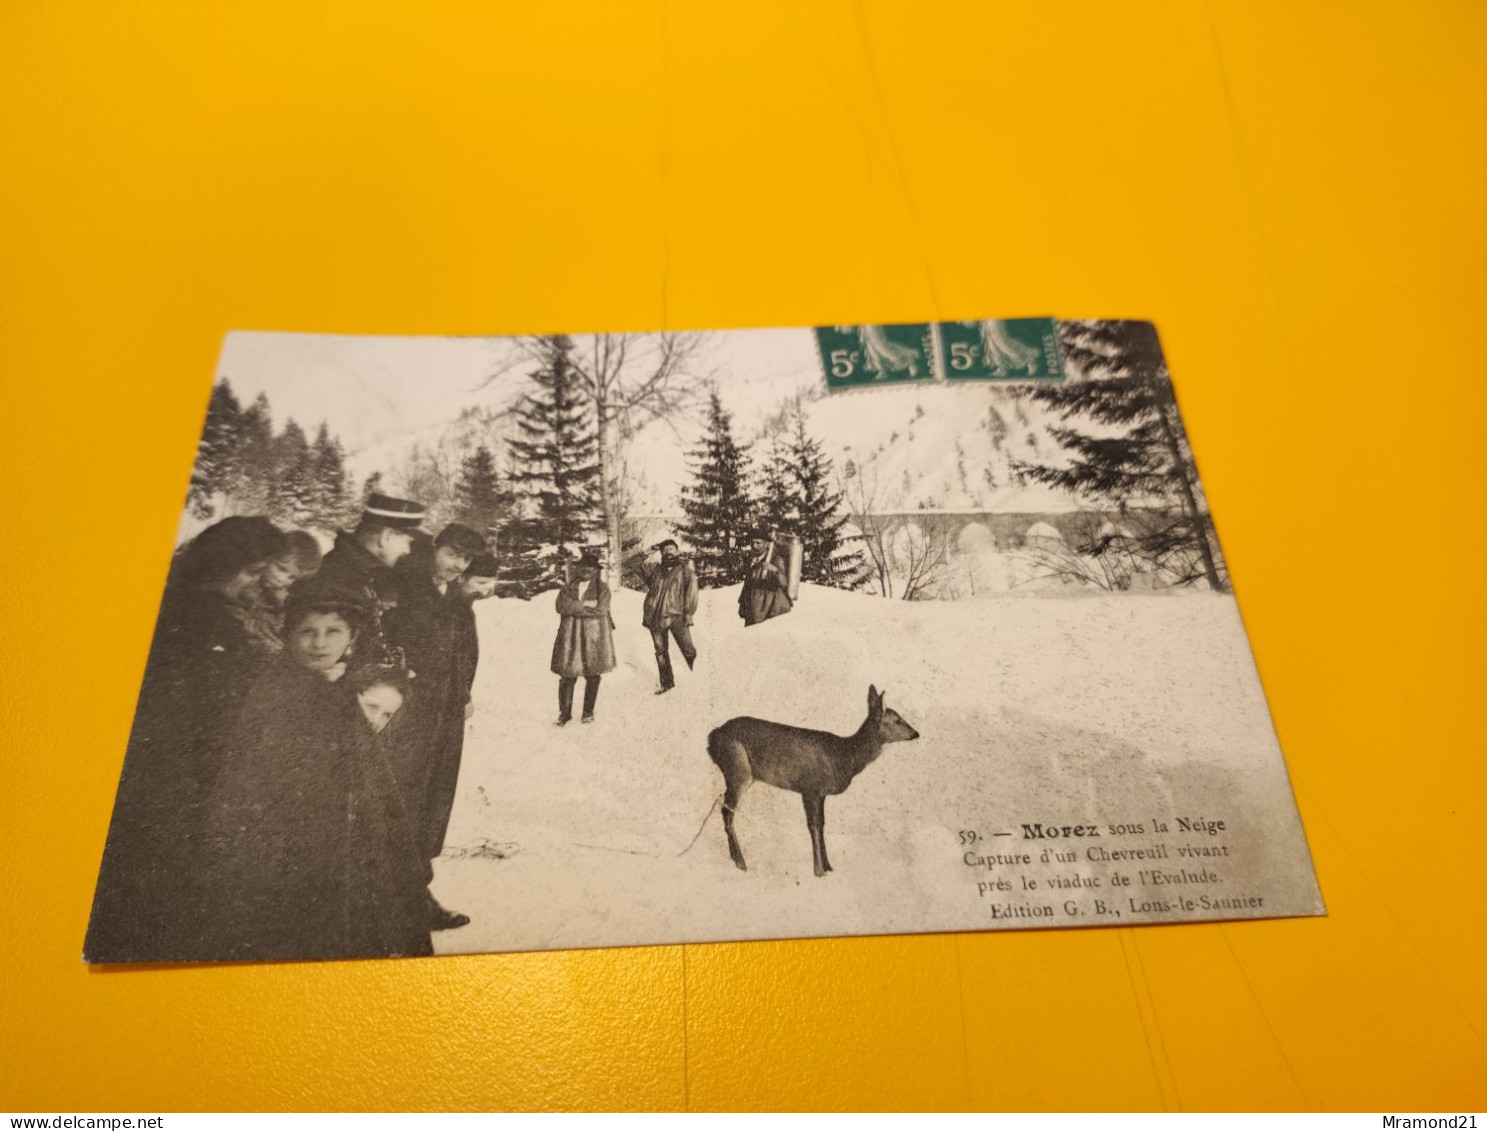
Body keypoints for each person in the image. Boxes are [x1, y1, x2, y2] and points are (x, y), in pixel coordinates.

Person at [85, 516, 289, 963]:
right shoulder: (195, 617)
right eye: (252, 572)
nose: (258, 583)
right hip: (177, 775)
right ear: (221, 565)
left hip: (198, 770)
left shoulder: (213, 607)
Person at [203, 583, 431, 961]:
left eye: (333, 632)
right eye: (307, 631)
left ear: (352, 637)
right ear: (288, 634)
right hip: (287, 853)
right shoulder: (272, 692)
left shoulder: (341, 689)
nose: (319, 643)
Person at [382, 522, 488, 931]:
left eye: (464, 559)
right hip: (408, 714)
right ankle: (404, 900)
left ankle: (415, 894)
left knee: (431, 802)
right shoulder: (405, 589)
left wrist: (462, 694)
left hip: (444, 714)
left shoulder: (453, 597)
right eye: (452, 554)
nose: (457, 564)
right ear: (434, 548)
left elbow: (462, 652)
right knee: (402, 801)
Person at [307, 492, 426, 665]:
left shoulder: (355, 569)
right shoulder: (340, 575)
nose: (407, 550)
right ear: (386, 536)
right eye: (407, 541)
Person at [551, 550, 615, 725]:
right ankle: (565, 714)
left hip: (594, 637)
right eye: (583, 566)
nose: (586, 570)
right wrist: (585, 604)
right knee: (567, 676)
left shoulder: (603, 588)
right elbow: (560, 606)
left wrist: (574, 608)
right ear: (578, 569)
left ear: (596, 570)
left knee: (593, 674)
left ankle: (588, 712)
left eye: (590, 567)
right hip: (570, 636)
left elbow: (601, 610)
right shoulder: (568, 587)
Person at [642, 539, 698, 694]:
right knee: (661, 652)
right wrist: (646, 553)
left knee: (688, 650)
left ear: (677, 551)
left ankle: (696, 681)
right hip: (655, 617)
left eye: (671, 549)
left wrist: (688, 613)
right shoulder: (654, 570)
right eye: (664, 550)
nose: (668, 552)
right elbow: (628, 566)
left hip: (677, 615)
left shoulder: (685, 569)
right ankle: (667, 684)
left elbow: (691, 593)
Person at [739, 531, 793, 627]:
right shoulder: (751, 560)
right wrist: (742, 604)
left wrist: (775, 570)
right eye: (753, 543)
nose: (754, 546)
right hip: (752, 606)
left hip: (769, 607)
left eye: (758, 543)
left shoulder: (776, 559)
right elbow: (747, 584)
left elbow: (784, 583)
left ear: (767, 544)